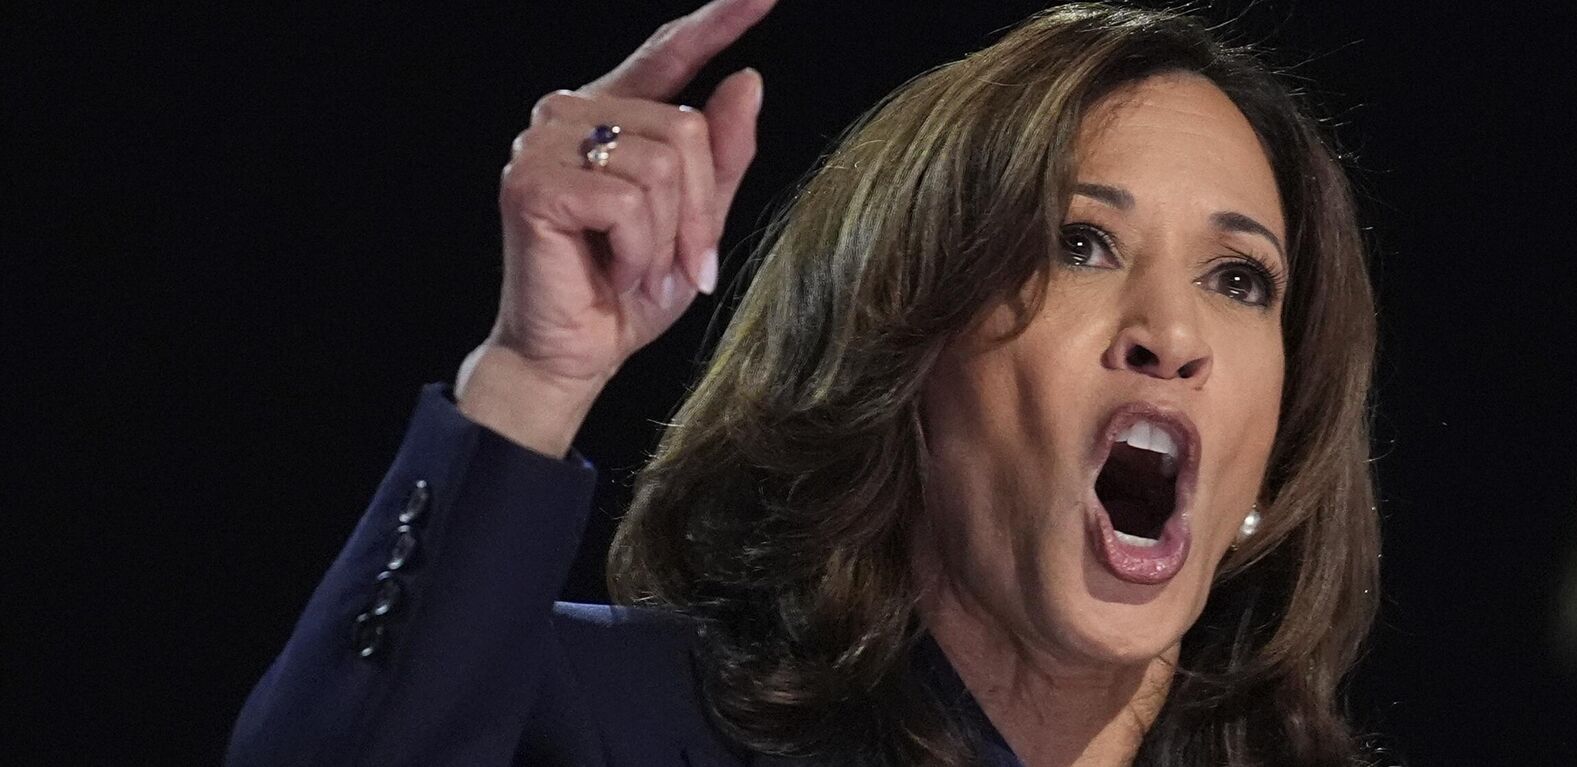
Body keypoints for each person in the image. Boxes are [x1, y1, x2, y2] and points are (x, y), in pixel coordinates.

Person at [226, 0, 1380, 764]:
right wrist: (534, 374)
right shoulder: (622, 722)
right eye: (1079, 243)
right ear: (905, 359)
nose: (1171, 330)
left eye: (1240, 277)